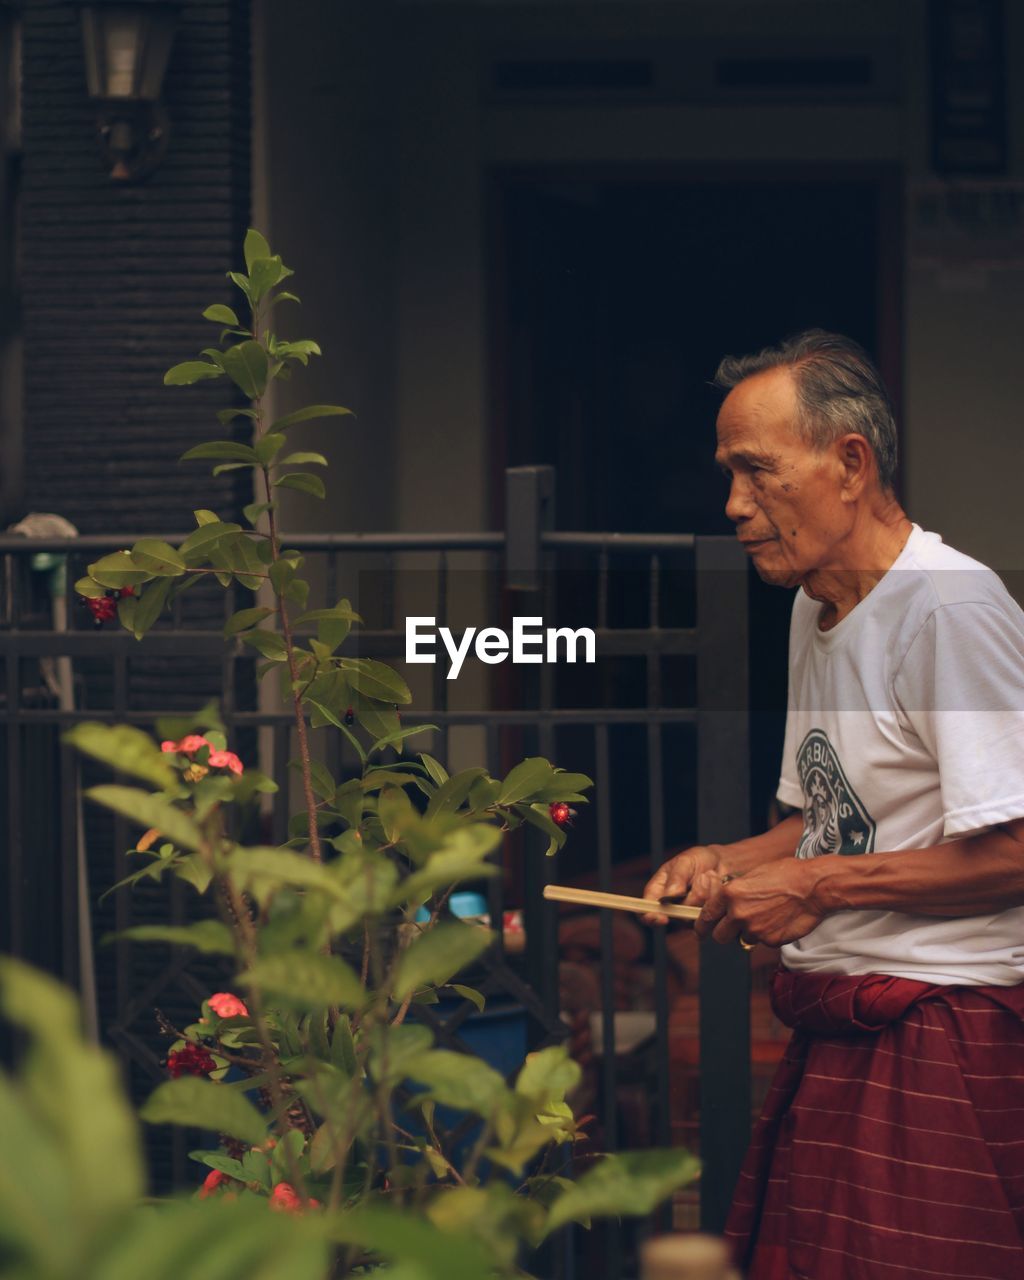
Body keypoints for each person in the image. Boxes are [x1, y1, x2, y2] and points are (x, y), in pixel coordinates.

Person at [642, 330, 1024, 1280]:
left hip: (945, 1034)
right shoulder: (819, 608)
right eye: (729, 476)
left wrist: (817, 886)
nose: (735, 505)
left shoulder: (949, 608)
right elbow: (825, 818)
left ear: (849, 463)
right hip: (845, 1025)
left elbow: (1018, 847)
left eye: (757, 473)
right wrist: (729, 860)